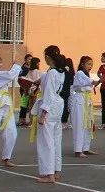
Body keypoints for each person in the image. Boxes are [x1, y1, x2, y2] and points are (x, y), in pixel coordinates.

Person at [33, 45, 67, 183]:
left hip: (50, 108)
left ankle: (49, 174)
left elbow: (48, 94)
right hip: (58, 107)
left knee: (46, 142)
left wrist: (43, 115)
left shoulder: (52, 72)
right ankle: (56, 170)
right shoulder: (61, 72)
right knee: (56, 140)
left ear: (47, 57)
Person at [70, 56, 98, 158]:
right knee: (79, 125)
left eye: (91, 64)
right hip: (79, 100)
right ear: (82, 64)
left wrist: (95, 82)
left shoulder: (86, 75)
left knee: (88, 124)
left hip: (87, 101)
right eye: (88, 64)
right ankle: (78, 150)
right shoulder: (79, 73)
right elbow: (88, 81)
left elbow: (89, 82)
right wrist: (95, 81)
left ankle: (85, 148)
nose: (90, 66)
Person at [20, 57, 42, 126]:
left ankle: (30, 122)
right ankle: (34, 122)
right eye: (38, 63)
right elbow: (41, 81)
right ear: (37, 63)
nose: (39, 64)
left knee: (31, 107)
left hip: (30, 91)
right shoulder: (38, 72)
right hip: (37, 91)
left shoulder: (29, 71)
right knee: (36, 107)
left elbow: (26, 81)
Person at [17, 53, 33, 126]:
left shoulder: (31, 68)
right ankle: (21, 120)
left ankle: (24, 119)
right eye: (29, 59)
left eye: (31, 59)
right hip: (24, 88)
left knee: (28, 105)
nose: (30, 60)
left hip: (30, 88)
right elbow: (20, 78)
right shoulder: (23, 68)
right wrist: (24, 88)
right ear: (25, 60)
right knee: (24, 104)